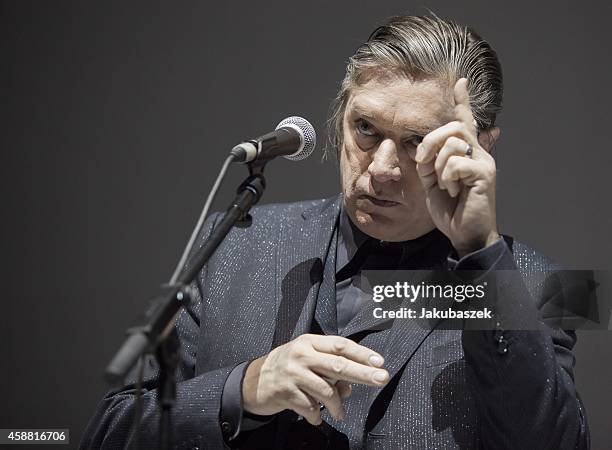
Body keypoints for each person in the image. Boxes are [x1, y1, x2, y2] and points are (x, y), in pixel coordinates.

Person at [81, 14, 589, 449]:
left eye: (417, 142)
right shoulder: (234, 240)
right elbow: (111, 432)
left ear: (482, 147)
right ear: (340, 116)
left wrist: (482, 253)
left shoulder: (544, 282)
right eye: (365, 129)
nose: (382, 168)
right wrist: (245, 389)